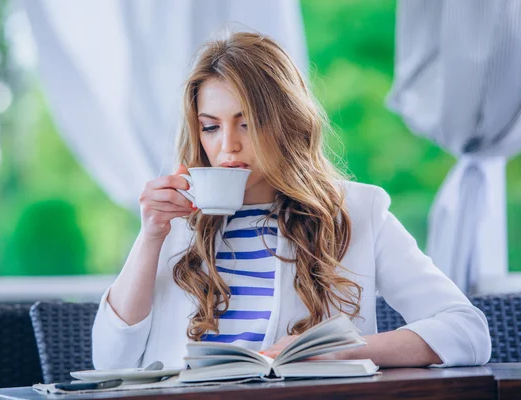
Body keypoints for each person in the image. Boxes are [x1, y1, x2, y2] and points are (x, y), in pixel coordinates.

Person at [92, 32, 491, 370]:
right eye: (211, 127)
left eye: (247, 123)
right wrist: (150, 236)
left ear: (286, 123)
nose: (228, 145)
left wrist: (342, 351)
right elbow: (109, 360)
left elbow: (466, 330)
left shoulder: (357, 212)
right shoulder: (175, 220)